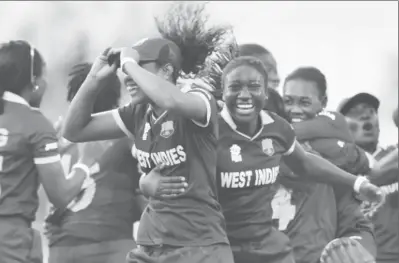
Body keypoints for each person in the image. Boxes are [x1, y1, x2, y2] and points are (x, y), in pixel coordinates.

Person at [140, 56, 383, 263]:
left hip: (276, 253)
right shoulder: (208, 140)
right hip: (222, 250)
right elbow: (175, 186)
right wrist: (145, 184)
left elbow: (357, 227)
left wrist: (357, 187)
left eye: (254, 88)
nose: (245, 97)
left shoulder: (320, 156)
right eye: (289, 102)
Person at [61, 3, 233, 263]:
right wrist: (94, 79)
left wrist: (129, 64)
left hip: (198, 247)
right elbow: (73, 130)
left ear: (166, 71)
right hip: (150, 246)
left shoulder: (197, 100)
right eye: (127, 69)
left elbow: (170, 101)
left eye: (141, 65)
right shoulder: (137, 114)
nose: (128, 76)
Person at [0, 40, 93, 263]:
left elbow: (9, 157)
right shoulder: (34, 121)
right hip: (3, 240)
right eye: (43, 76)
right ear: (33, 81)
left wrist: (49, 148)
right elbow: (61, 195)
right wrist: (86, 163)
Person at [46, 62, 146, 263]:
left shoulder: (57, 139)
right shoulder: (124, 136)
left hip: (61, 249)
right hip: (109, 246)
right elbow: (145, 200)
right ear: (115, 98)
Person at [274, 67, 377, 263]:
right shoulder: (248, 157)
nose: (294, 109)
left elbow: (357, 228)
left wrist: (356, 251)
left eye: (304, 102)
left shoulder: (333, 161)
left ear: (323, 103)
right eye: (288, 101)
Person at [339, 92, 399, 263]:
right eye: (355, 113)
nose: (366, 115)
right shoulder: (339, 168)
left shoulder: (392, 154)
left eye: (371, 111)